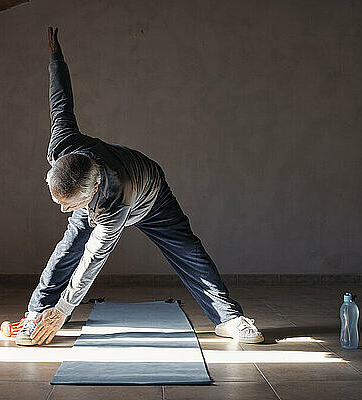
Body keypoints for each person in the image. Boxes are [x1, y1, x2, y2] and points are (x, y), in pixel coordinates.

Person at [16, 27, 264, 346]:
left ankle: (229, 318)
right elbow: (60, 103)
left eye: (70, 204)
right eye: (59, 201)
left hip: (150, 195)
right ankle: (35, 314)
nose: (63, 210)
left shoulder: (115, 198)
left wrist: (64, 310)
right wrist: (55, 59)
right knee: (66, 250)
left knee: (186, 248)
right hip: (97, 190)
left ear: (92, 192)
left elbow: (93, 259)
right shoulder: (63, 144)